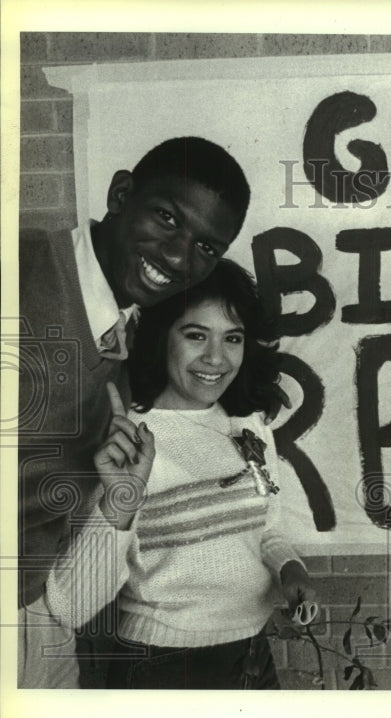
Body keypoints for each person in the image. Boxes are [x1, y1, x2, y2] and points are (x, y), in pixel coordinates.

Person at [17, 136, 251, 687]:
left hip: (35, 616)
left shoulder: (121, 339)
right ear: (122, 194)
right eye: (167, 218)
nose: (177, 256)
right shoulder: (21, 268)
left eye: (206, 248)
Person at [45, 259, 313, 689]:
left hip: (252, 659)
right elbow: (71, 607)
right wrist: (121, 502)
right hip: (162, 667)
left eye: (233, 338)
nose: (215, 358)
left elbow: (268, 529)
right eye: (195, 335)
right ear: (161, 336)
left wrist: (290, 569)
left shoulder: (247, 423)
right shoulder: (128, 441)